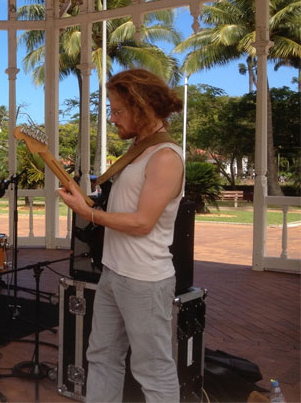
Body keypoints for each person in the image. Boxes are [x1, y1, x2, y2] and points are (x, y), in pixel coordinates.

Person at [58, 69, 184, 402]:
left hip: (145, 280)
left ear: (141, 106)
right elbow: (125, 205)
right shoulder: (141, 150)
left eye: (117, 110)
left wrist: (89, 214)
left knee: (154, 371)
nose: (112, 118)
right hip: (115, 272)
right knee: (101, 357)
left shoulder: (165, 157)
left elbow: (143, 222)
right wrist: (86, 200)